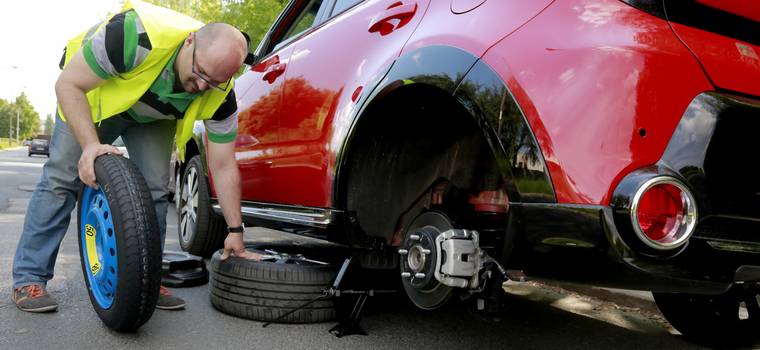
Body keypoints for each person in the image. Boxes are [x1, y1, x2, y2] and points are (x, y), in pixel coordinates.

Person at [12, 0, 258, 313]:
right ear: (190, 41)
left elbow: (223, 165)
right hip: (91, 96)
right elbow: (68, 85)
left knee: (155, 190)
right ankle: (29, 277)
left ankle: (147, 281)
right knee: (62, 179)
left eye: (213, 82)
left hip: (151, 116)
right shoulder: (135, 35)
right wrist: (90, 147)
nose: (201, 87)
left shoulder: (222, 92)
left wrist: (236, 231)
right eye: (199, 74)